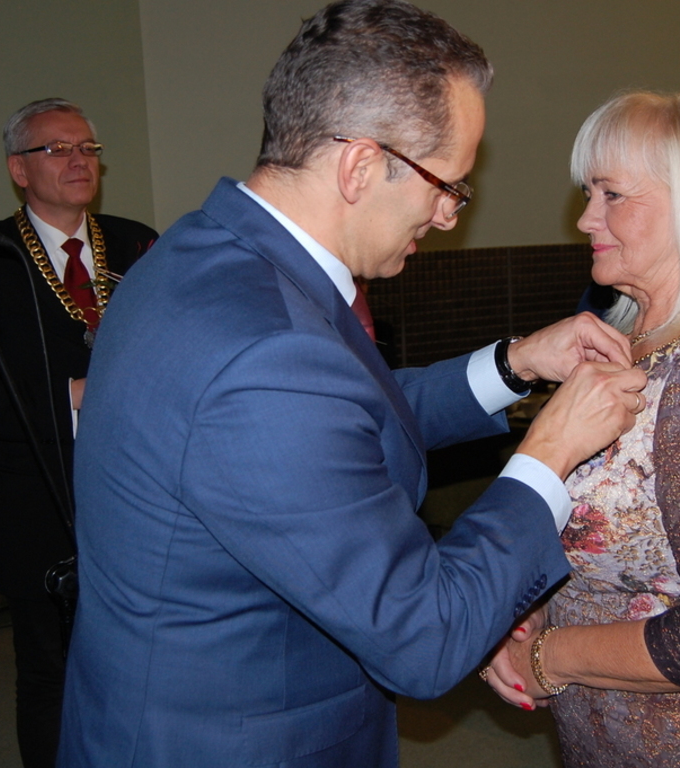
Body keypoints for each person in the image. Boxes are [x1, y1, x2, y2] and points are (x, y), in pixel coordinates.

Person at [56, 2, 647, 766]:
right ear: (360, 166)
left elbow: (335, 431)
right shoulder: (267, 355)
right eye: (448, 185)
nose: (447, 215)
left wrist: (516, 364)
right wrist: (550, 451)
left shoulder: (201, 254)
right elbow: (423, 637)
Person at [483, 90, 680, 767]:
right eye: (588, 193)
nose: (584, 217)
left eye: (612, 194)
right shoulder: (632, 346)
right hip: (604, 732)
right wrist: (539, 608)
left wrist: (548, 657)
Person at [0, 98, 158, 768]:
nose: (79, 160)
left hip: (142, 495)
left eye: (87, 147)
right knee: (52, 677)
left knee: (149, 669)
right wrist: (69, 398)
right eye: (56, 149)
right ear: (17, 170)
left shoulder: (139, 242)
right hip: (38, 503)